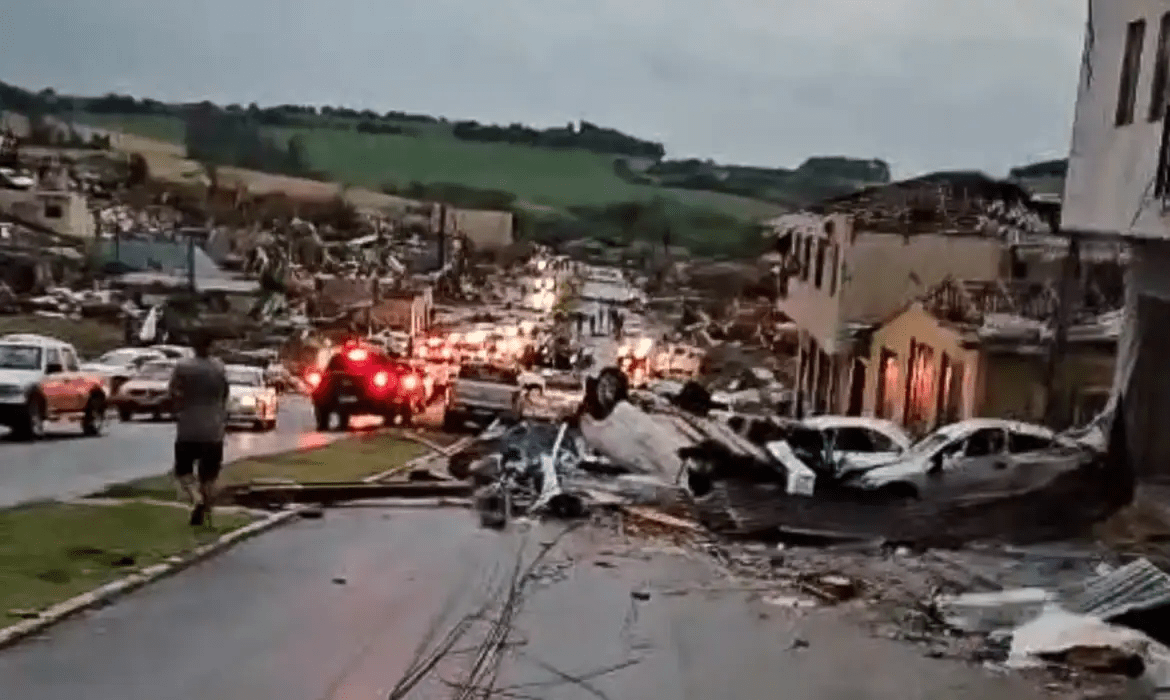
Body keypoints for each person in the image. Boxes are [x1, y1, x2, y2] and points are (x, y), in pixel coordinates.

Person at [168, 331, 230, 526]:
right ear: (211, 346)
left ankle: (197, 499)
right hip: (213, 428)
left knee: (183, 471)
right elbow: (225, 393)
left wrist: (178, 407)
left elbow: (172, 392)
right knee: (209, 475)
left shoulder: (182, 367)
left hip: (188, 426)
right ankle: (208, 513)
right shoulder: (219, 367)